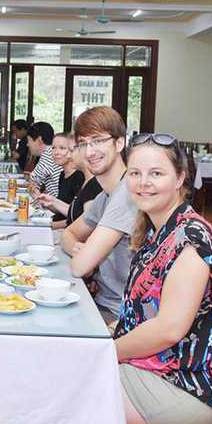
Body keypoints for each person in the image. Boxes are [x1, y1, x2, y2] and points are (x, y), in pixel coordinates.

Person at [115, 132, 212, 424]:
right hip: (153, 367)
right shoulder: (161, 229)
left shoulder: (192, 240)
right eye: (135, 173)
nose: (144, 182)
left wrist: (106, 350)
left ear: (180, 179)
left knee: (60, 391)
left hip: (187, 387)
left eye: (156, 173)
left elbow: (169, 330)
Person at [60, 107, 137, 325]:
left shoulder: (128, 193)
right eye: (83, 144)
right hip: (103, 302)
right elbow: (70, 232)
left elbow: (80, 267)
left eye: (98, 141)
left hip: (121, 315)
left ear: (120, 143)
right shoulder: (106, 195)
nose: (90, 151)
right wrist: (78, 247)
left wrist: (86, 258)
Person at [36, 133, 84, 230]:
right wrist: (42, 199)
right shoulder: (62, 174)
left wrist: (50, 226)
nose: (56, 152)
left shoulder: (79, 177)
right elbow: (61, 210)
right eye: (53, 148)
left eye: (62, 148)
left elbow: (78, 217)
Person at [65, 144, 102, 226]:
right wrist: (52, 202)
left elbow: (89, 225)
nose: (68, 156)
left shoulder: (93, 185)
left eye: (72, 151)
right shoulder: (85, 181)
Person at [27, 122, 62, 198]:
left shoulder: (49, 153)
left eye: (28, 140)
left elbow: (33, 181)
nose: (27, 144)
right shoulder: (52, 152)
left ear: (39, 140)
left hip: (58, 205)